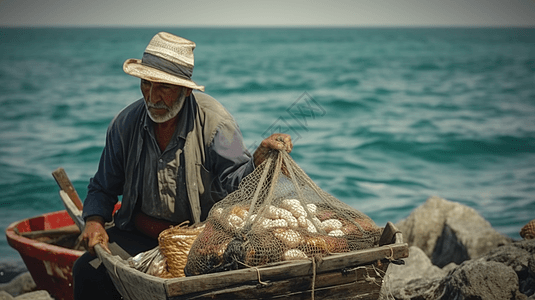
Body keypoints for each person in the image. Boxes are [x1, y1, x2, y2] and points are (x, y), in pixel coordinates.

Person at [72, 32, 292, 300]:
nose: (152, 97)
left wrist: (257, 163)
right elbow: (102, 187)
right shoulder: (124, 124)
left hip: (200, 243)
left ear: (185, 90)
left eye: (163, 87)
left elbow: (236, 182)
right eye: (145, 84)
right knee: (87, 270)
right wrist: (94, 221)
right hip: (139, 236)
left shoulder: (217, 124)